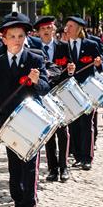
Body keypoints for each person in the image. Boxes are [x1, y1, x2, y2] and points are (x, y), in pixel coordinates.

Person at [0, 12, 49, 207]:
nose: (16, 41)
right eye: (12, 37)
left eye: (20, 36)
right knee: (14, 167)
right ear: (3, 39)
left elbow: (45, 89)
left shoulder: (36, 59)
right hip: (8, 121)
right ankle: (17, 204)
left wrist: (37, 80)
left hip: (30, 120)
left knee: (29, 165)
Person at [33, 16, 70, 183]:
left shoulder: (63, 46)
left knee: (63, 132)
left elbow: (71, 68)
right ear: (39, 32)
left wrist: (70, 71)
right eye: (43, 29)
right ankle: (52, 169)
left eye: (49, 28)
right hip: (44, 94)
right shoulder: (34, 49)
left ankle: (64, 167)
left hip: (60, 94)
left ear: (54, 29)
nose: (46, 31)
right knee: (48, 133)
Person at [63, 16, 103, 171]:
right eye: (66, 26)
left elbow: (102, 62)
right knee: (73, 125)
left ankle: (87, 158)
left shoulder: (91, 44)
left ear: (79, 28)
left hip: (87, 91)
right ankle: (78, 156)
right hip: (70, 91)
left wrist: (99, 64)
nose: (67, 29)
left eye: (70, 26)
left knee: (86, 124)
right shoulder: (64, 46)